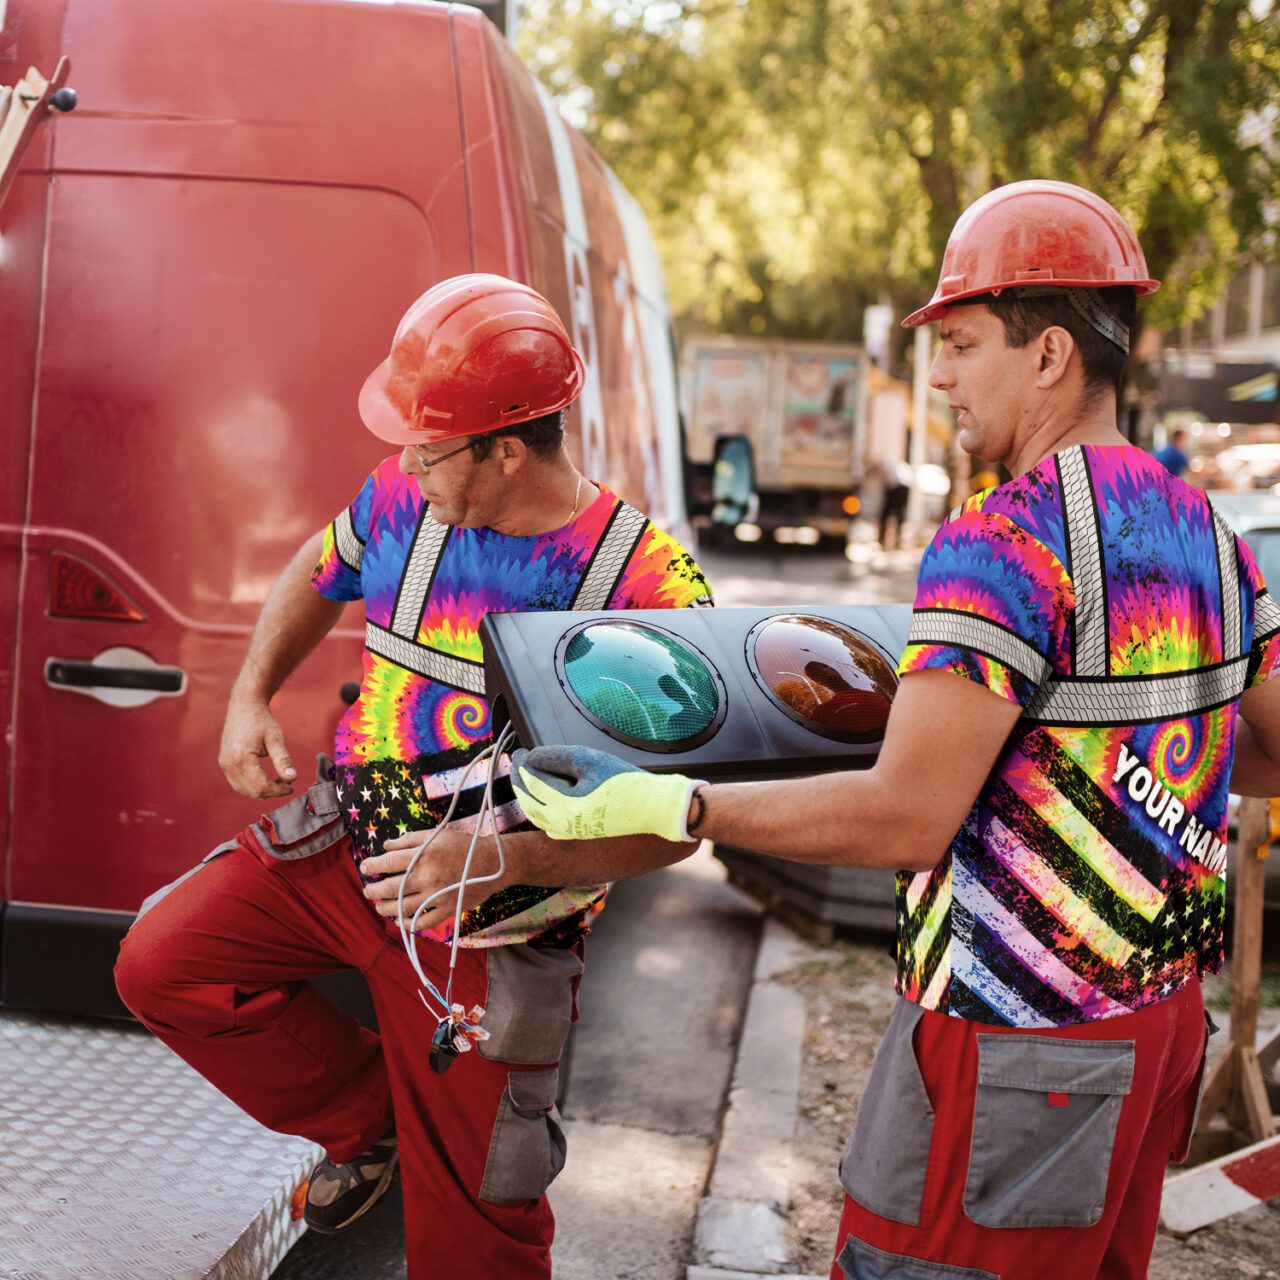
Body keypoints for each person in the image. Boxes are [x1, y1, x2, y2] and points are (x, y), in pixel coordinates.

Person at [398, 184, 1280, 1280]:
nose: (940, 376)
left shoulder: (1003, 541)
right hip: (1161, 1025)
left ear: (1049, 353)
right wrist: (1106, 774)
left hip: (1013, 1038)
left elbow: (904, 818)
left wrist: (673, 802)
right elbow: (1266, 748)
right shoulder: (1207, 531)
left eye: (960, 343)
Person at [114, 273, 712, 1279]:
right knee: (164, 964)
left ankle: (439, 1138)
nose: (405, 465)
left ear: (507, 448)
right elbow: (319, 565)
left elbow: (679, 823)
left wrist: (499, 857)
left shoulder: (653, 588)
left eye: (430, 448)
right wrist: (250, 693)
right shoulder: (402, 496)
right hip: (349, 847)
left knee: (477, 1238)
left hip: (495, 921)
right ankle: (379, 1119)